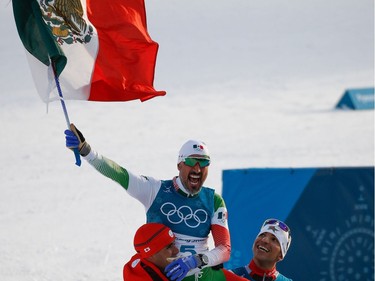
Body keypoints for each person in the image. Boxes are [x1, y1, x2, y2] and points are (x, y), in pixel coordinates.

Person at [65, 124, 231, 280]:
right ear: (179, 165)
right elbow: (119, 174)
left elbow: (224, 249)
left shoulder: (213, 201)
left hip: (200, 277)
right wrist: (86, 151)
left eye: (204, 162)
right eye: (191, 162)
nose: (197, 169)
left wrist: (196, 260)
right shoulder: (155, 189)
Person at [125, 222, 247, 281]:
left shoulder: (153, 263)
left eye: (173, 244)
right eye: (168, 247)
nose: (176, 250)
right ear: (151, 255)